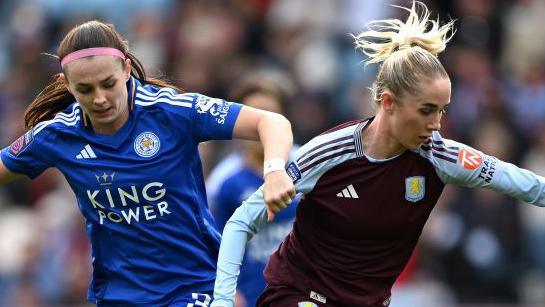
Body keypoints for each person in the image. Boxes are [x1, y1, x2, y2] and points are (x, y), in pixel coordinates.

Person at [210, 2, 545, 307]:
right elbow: (240, 223)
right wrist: (223, 301)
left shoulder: (440, 157)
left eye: (442, 111)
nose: (436, 124)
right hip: (300, 295)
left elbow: (527, 185)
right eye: (427, 110)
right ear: (388, 102)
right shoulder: (328, 152)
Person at [0, 20, 296, 306]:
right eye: (85, 89)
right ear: (67, 84)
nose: (100, 98)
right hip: (118, 295)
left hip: (194, 285)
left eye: (108, 83)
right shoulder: (58, 135)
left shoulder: (172, 113)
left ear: (126, 68)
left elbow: (271, 122)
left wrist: (274, 172)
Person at [207, 79, 299, 307]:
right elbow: (213, 242)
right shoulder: (223, 181)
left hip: (303, 294)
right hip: (250, 298)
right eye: (256, 118)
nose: (263, 127)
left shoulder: (306, 166)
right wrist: (230, 292)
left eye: (270, 115)